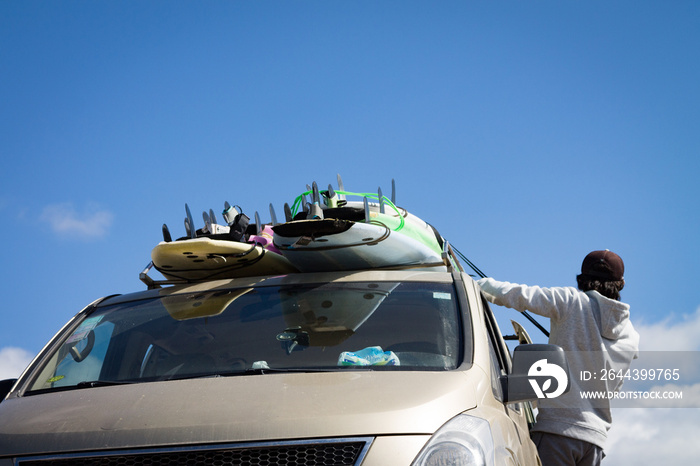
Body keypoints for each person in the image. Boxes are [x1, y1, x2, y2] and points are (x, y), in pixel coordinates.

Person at [477, 250, 639, 466]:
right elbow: (610, 388)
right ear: (621, 283)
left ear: (582, 278)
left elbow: (519, 295)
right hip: (594, 444)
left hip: (557, 432)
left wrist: (477, 285)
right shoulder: (631, 335)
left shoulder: (571, 301)